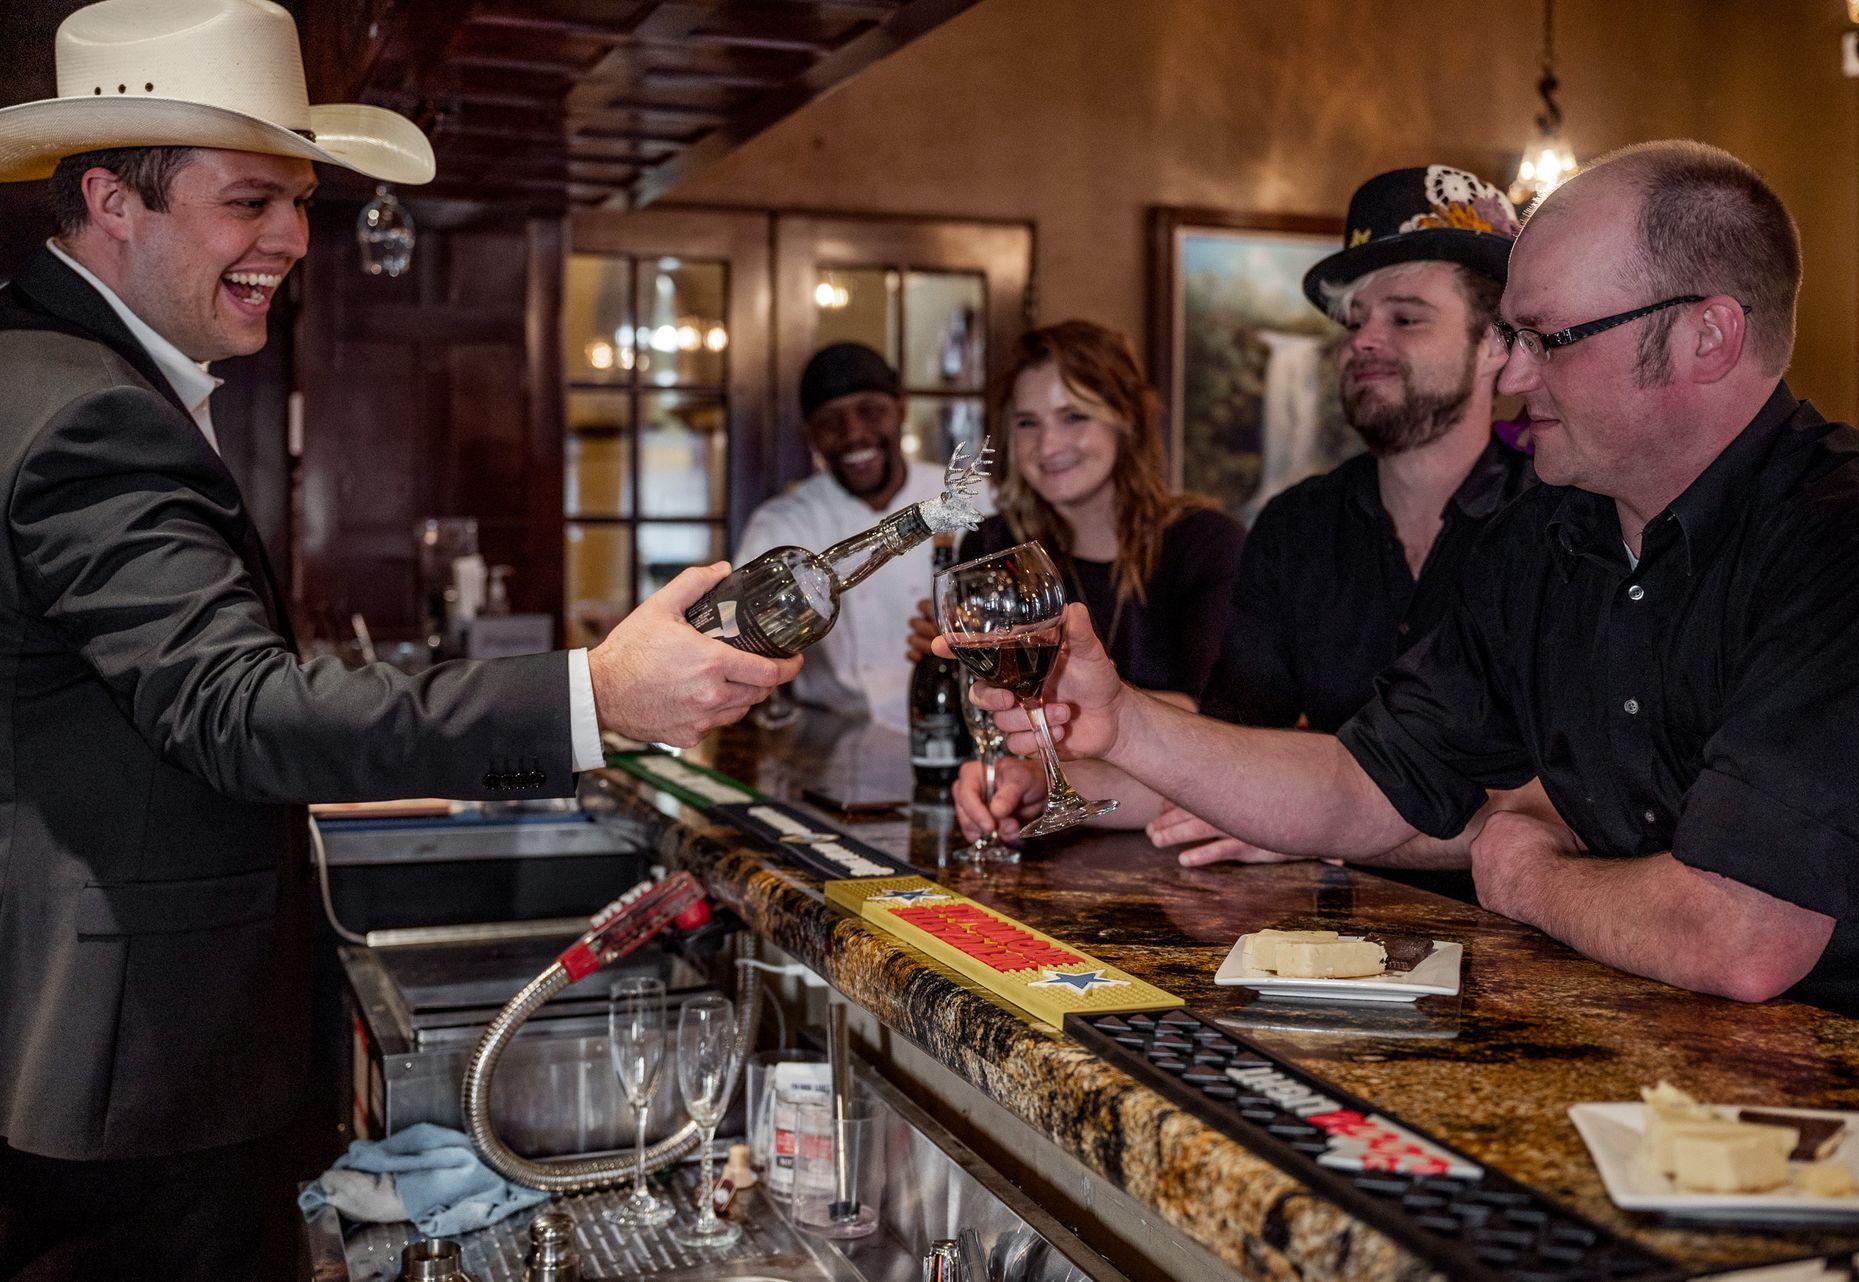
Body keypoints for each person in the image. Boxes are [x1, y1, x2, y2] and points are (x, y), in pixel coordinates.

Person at [0, 3, 797, 1277]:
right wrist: (595, 694)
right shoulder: (93, 413)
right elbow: (240, 709)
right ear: (111, 198)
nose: (289, 241)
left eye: (299, 202)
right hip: (133, 1085)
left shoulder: (51, 370)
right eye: (249, 201)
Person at [955, 140, 1859, 1036]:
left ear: (1706, 337)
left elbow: (1739, 937)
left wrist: (1523, 870)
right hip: (1647, 1045)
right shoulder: (1547, 533)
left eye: (1550, 338)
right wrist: (1121, 723)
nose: (1513, 376)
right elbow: (1362, 785)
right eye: (1515, 337)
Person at [957, 171, 1546, 888]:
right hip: (1320, 952)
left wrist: (1314, 833)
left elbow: (1565, 816)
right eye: (1355, 319)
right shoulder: (1298, 525)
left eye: (1406, 316)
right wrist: (1054, 790)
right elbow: (1226, 762)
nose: (1364, 340)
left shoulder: (1562, 524)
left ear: (1496, 346)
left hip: (1524, 948)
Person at [908, 320, 1244, 705]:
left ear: (1127, 419)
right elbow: (982, 709)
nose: (1048, 446)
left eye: (1074, 416)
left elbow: (1218, 715)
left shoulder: (1207, 546)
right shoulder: (992, 547)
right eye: (1027, 423)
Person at [737, 341, 957, 731]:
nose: (853, 433)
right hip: (830, 737)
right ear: (810, 434)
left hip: (957, 726)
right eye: (830, 421)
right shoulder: (781, 524)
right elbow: (741, 636)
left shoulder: (960, 499)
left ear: (901, 410)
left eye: (871, 412)